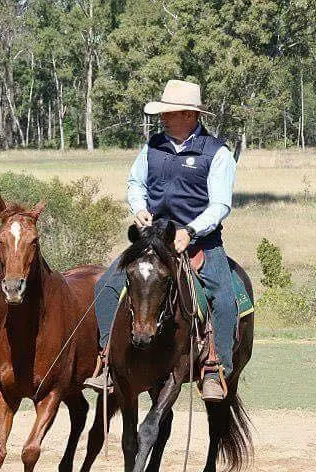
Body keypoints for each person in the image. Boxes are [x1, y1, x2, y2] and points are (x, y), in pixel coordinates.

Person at [86, 79, 237, 402]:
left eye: (169, 113)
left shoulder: (217, 153)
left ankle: (215, 368)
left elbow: (221, 204)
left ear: (189, 115)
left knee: (224, 299)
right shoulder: (152, 146)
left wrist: (191, 231)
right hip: (153, 237)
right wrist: (139, 207)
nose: (163, 119)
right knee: (106, 286)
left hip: (199, 240)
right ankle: (107, 362)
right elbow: (135, 182)